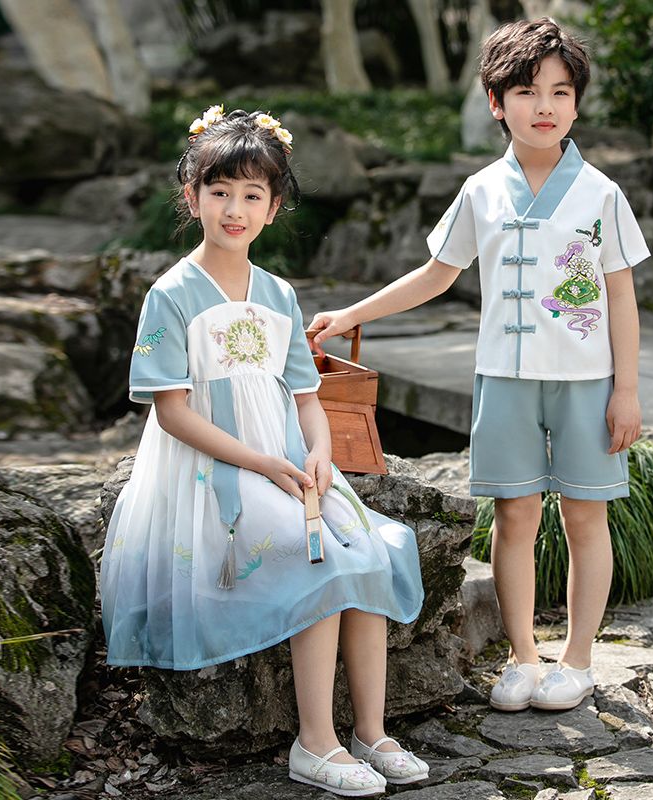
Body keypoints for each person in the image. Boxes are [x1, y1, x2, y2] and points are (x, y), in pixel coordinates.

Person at [310, 18, 650, 714]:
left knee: (588, 517)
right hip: (503, 379)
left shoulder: (602, 195)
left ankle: (578, 661)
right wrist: (350, 316)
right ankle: (524, 657)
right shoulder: (480, 192)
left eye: (560, 91)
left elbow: (620, 295)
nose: (545, 106)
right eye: (527, 91)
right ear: (498, 103)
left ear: (578, 103)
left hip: (588, 383)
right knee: (515, 515)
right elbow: (436, 274)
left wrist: (628, 391)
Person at [100, 106, 429, 796]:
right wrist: (260, 464)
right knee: (323, 560)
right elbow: (172, 412)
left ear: (274, 208)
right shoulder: (171, 294)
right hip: (215, 473)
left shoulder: (278, 294)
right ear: (191, 197)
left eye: (253, 194)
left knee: (372, 548)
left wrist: (318, 455)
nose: (234, 208)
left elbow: (306, 396)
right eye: (219, 191)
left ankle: (371, 731)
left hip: (288, 465)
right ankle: (315, 744)